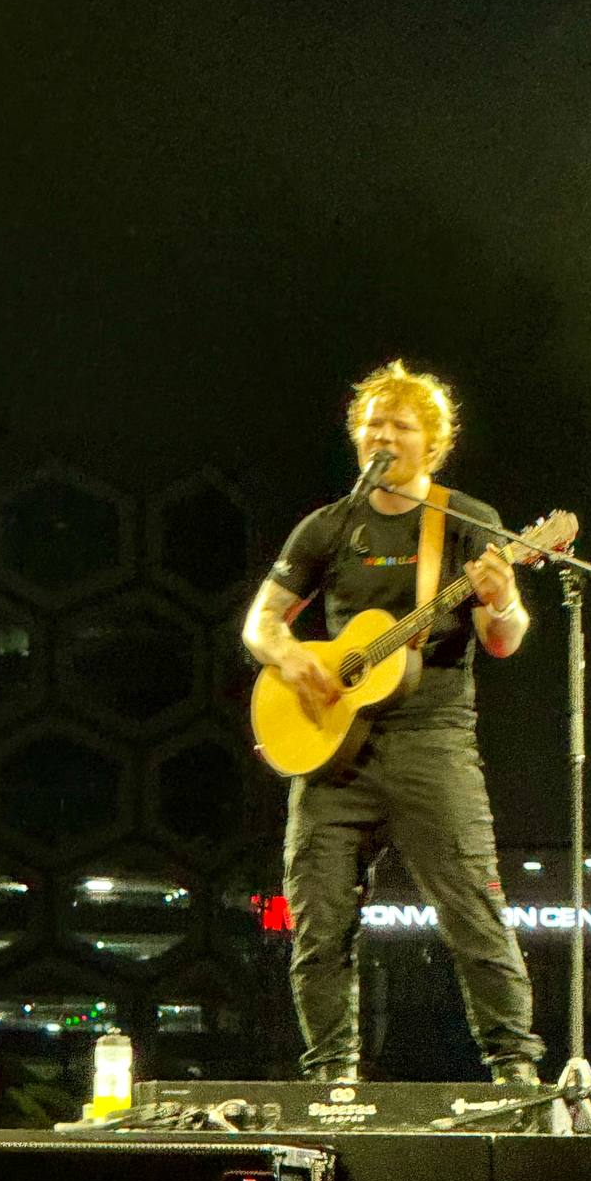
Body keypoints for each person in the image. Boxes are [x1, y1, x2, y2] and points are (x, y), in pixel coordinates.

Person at [242, 360, 544, 1083]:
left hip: (431, 741)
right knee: (318, 922)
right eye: (373, 424)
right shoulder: (328, 526)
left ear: (432, 443)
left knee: (472, 910)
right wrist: (292, 658)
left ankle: (515, 1071)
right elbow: (261, 622)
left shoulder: (465, 522)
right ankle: (332, 1077)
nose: (383, 436)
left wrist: (502, 599)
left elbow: (503, 640)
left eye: (400, 426)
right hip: (332, 750)